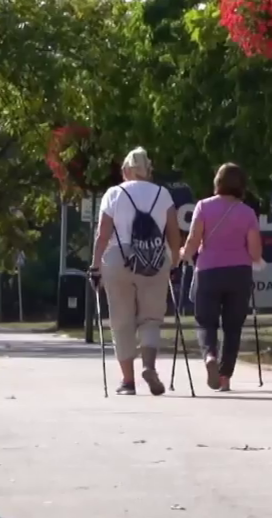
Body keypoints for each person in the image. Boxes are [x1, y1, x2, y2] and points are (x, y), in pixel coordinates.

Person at [90, 147, 181, 396]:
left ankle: (128, 382)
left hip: (119, 259)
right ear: (148, 170)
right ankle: (149, 366)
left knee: (121, 321)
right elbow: (173, 233)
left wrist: (96, 266)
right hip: (154, 258)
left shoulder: (114, 194)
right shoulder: (163, 194)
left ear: (127, 170)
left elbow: (103, 235)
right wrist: (174, 263)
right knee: (151, 318)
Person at [180, 163, 263, 392]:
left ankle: (209, 356)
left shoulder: (203, 207)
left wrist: (183, 254)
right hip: (239, 273)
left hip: (208, 272)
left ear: (217, 182)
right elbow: (255, 252)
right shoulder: (247, 212)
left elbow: (193, 242)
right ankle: (225, 377)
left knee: (205, 321)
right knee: (233, 327)